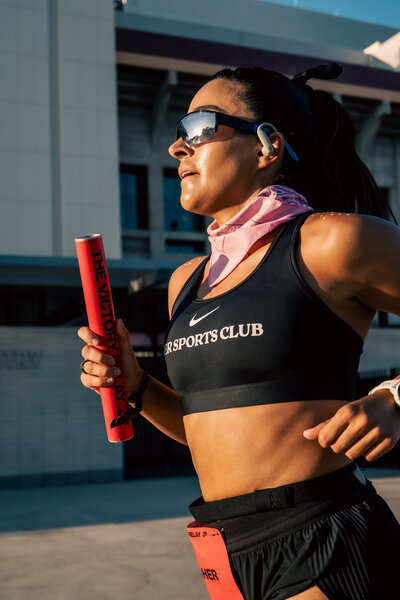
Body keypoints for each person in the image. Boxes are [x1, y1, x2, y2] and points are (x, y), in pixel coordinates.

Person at [78, 63, 400, 600]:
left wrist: (396, 398)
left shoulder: (331, 242)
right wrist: (137, 387)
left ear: (267, 145)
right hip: (227, 552)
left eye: (199, 128)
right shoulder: (185, 282)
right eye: (177, 135)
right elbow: (207, 429)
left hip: (323, 536)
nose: (177, 149)